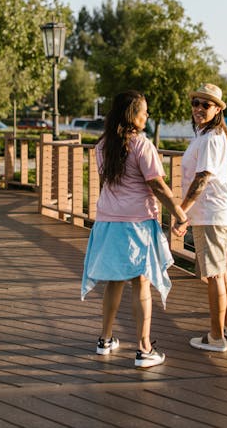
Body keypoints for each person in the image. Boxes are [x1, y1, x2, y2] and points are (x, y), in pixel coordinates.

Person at [81, 90, 188, 368]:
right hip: (136, 222)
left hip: (108, 220)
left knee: (114, 280)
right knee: (141, 281)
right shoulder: (142, 145)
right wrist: (177, 211)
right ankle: (143, 348)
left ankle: (105, 340)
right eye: (144, 111)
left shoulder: (103, 145)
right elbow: (156, 184)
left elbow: (106, 182)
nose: (147, 115)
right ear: (133, 115)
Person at [172, 83, 227, 353]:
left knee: (213, 275)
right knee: (220, 271)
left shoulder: (211, 137)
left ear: (217, 110)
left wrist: (181, 211)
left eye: (206, 105)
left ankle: (215, 337)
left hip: (212, 214)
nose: (199, 108)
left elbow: (202, 178)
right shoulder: (206, 134)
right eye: (196, 103)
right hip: (215, 213)